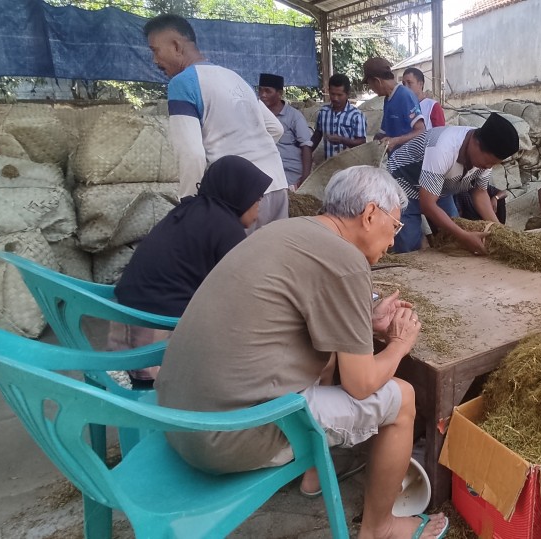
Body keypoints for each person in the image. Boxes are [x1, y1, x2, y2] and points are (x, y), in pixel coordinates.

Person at [157, 166, 449, 539]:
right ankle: (381, 528)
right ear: (369, 214)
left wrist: (365, 320)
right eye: (394, 226)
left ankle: (314, 474)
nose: (394, 241)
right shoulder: (346, 261)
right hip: (226, 437)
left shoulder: (288, 230)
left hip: (177, 416)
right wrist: (398, 344)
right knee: (402, 398)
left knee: (327, 350)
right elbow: (361, 385)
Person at [111, 156, 271, 388]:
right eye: (257, 199)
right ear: (240, 194)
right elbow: (244, 293)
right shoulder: (226, 228)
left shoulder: (189, 209)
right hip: (158, 330)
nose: (259, 207)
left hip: (123, 318)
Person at [144, 14, 288, 226]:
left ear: (176, 46)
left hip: (239, 197)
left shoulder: (183, 83)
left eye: (155, 50)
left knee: (236, 250)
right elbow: (276, 128)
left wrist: (189, 205)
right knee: (275, 248)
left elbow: (192, 155)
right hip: (277, 184)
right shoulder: (235, 77)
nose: (155, 60)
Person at [386, 113, 520, 254]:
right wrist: (464, 236)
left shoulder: (484, 158)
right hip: (404, 183)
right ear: (475, 143)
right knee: (408, 243)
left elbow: (480, 193)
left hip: (439, 187)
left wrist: (500, 231)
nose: (488, 167)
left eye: (493, 164)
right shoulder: (443, 148)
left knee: (454, 231)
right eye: (488, 162)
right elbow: (428, 205)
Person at [258, 73, 313, 189]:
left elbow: (306, 147)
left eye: (267, 91)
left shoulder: (294, 116)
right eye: (260, 90)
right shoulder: (256, 115)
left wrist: (305, 180)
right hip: (264, 173)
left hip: (290, 176)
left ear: (279, 93)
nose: (262, 95)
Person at [364, 57, 424, 152]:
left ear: (377, 81)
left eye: (370, 84)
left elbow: (421, 131)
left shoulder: (405, 95)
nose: (371, 88)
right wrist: (376, 140)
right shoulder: (388, 99)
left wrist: (395, 141)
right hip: (395, 158)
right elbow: (385, 132)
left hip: (409, 159)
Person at [312, 74, 368, 160]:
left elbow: (362, 142)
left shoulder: (356, 115)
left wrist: (342, 140)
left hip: (350, 164)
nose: (335, 98)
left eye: (339, 95)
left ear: (347, 94)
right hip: (329, 163)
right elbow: (317, 136)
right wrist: (307, 150)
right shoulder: (323, 112)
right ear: (328, 91)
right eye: (332, 94)